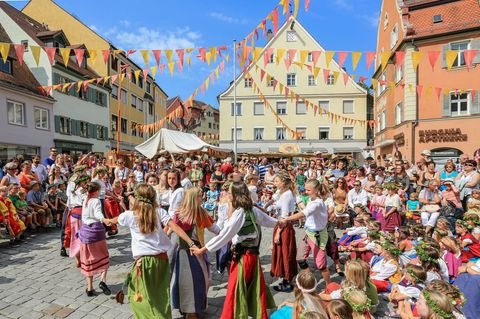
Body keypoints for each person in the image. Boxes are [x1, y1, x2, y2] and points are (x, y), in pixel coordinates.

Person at [190, 181, 278, 319]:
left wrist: (203, 249)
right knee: (254, 289)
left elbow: (225, 235)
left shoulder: (240, 213)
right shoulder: (252, 210)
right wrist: (283, 222)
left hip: (243, 257)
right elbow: (270, 221)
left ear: (236, 195)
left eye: (230, 192)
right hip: (253, 257)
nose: (227, 194)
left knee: (235, 289)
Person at [110, 183, 196, 318]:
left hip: (143, 263)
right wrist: (191, 243)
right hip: (162, 260)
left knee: (138, 296)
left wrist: (105, 220)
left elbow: (114, 220)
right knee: (161, 294)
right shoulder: (159, 212)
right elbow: (175, 227)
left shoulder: (129, 215)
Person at [171, 188, 220, 318]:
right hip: (185, 253)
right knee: (189, 282)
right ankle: (190, 311)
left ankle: (193, 308)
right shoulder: (180, 214)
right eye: (200, 196)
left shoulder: (201, 213)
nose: (202, 198)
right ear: (194, 198)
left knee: (202, 280)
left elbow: (214, 228)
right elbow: (169, 229)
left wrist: (226, 235)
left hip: (198, 252)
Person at [281, 179, 331, 284]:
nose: (306, 192)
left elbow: (304, 213)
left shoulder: (318, 203)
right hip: (308, 233)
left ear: (316, 190)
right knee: (300, 258)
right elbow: (305, 209)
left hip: (317, 235)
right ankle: (311, 279)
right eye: (305, 189)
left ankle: (329, 286)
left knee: (321, 265)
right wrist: (297, 199)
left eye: (308, 190)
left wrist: (287, 219)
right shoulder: (311, 199)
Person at [77, 182, 111, 296]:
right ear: (96, 191)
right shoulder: (95, 201)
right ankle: (102, 280)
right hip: (96, 231)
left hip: (85, 232)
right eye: (99, 190)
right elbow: (97, 214)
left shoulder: (85, 200)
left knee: (88, 259)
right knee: (103, 255)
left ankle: (90, 287)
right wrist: (104, 219)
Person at [267, 171, 298, 292]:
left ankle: (287, 282)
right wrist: (264, 207)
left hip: (284, 227)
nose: (275, 183)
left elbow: (285, 216)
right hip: (280, 224)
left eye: (277, 181)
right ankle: (285, 280)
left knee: (285, 254)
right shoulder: (281, 192)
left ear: (283, 182)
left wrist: (279, 232)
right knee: (281, 253)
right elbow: (273, 199)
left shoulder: (287, 194)